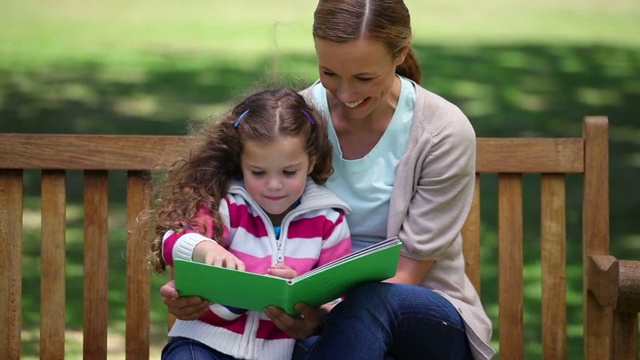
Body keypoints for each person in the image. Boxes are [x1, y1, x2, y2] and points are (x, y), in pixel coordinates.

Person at [160, 0, 496, 358]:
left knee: (371, 300)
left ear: (401, 51)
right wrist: (196, 288)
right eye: (330, 73)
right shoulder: (292, 123)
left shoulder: (442, 131)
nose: (346, 95)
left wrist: (323, 316)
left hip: (422, 318)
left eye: (365, 78)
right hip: (308, 321)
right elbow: (230, 213)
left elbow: (408, 271)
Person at [149, 88, 353, 360]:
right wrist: (205, 248)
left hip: (283, 352)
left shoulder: (328, 220)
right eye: (258, 172)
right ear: (241, 163)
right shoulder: (225, 205)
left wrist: (305, 301)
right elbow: (172, 241)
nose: (274, 185)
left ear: (311, 161)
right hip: (204, 343)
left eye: (289, 172)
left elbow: (339, 298)